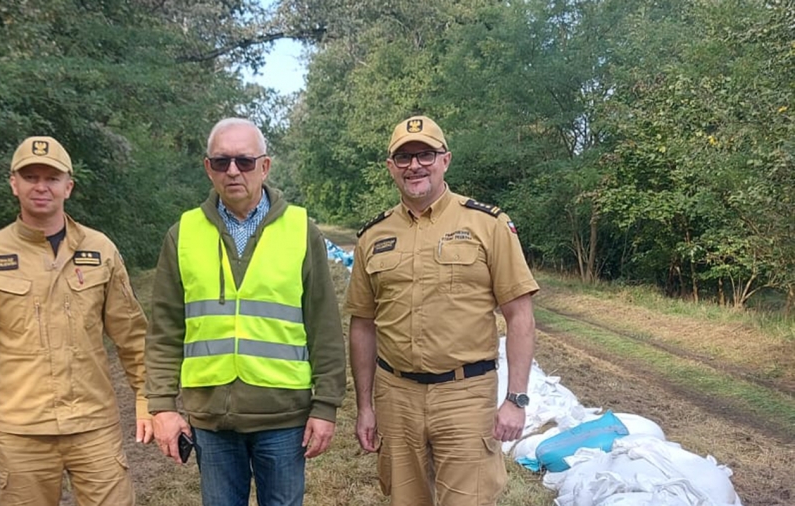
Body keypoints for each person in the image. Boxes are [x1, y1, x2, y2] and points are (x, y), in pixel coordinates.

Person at [0, 136, 153, 506]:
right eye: (30, 176)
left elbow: (133, 335)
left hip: (93, 424)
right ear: (13, 184)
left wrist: (148, 399)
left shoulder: (99, 250)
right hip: (21, 431)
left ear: (68, 186)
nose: (41, 186)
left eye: (51, 178)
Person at [145, 118, 346, 506]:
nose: (233, 171)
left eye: (245, 161)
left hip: (283, 419)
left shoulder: (301, 230)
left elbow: (323, 325)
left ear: (265, 166)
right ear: (208, 168)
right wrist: (162, 406)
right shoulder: (182, 234)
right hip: (212, 421)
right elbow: (164, 330)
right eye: (221, 162)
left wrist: (326, 406)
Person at [345, 115, 540, 505]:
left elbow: (520, 315)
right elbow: (362, 325)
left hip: (465, 394)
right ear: (391, 168)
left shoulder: (488, 225)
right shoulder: (373, 236)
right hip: (396, 395)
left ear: (445, 160)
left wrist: (516, 399)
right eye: (403, 157)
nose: (414, 165)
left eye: (425, 154)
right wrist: (365, 407)